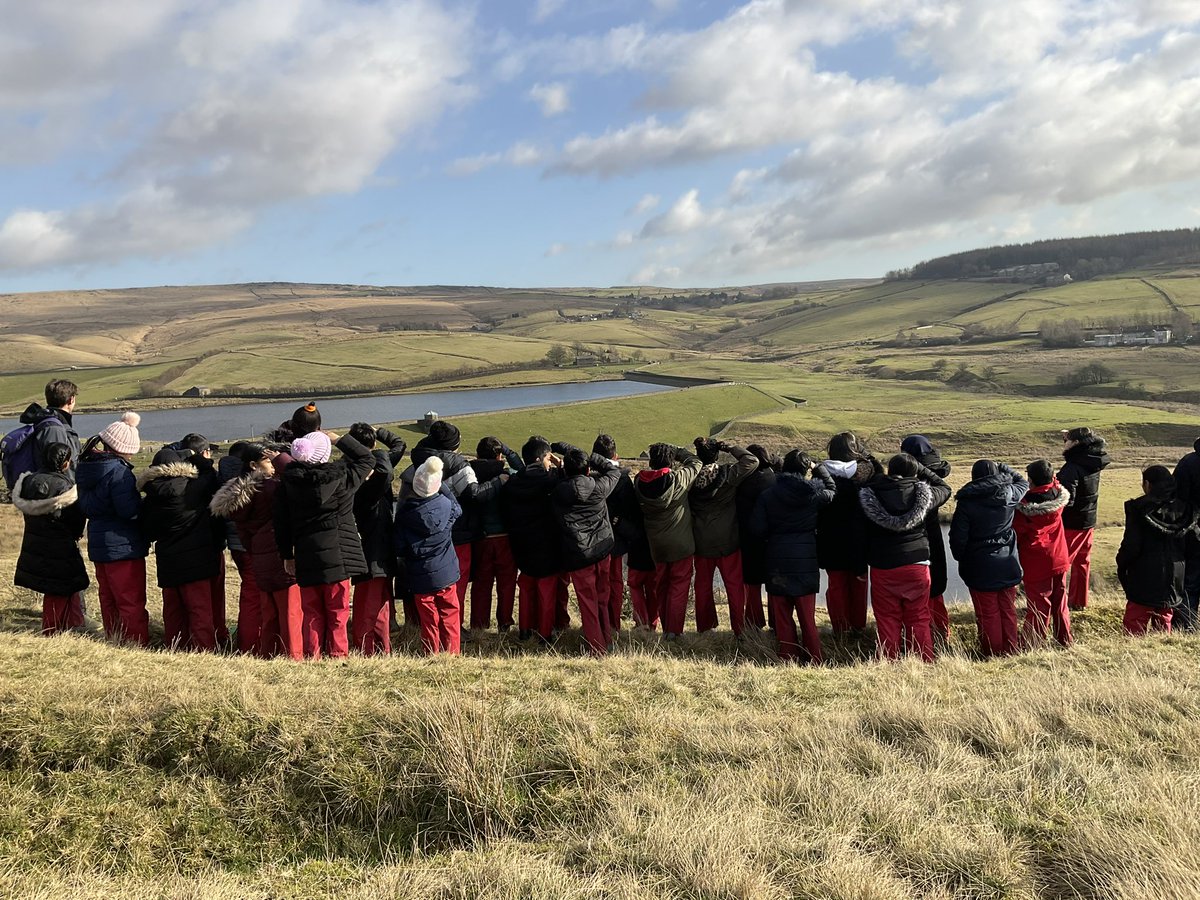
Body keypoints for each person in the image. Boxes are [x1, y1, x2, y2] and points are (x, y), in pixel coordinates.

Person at [274, 430, 374, 659]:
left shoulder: (288, 484)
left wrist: (287, 555)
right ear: (325, 453)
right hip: (339, 553)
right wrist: (339, 439)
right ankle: (338, 654)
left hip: (306, 553)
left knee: (311, 611)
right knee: (338, 610)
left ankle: (313, 655)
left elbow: (281, 523)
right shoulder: (343, 478)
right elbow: (367, 458)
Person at [401, 420, 503, 630]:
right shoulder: (458, 464)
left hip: (421, 531)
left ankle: (425, 627)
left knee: (426, 583)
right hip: (458, 532)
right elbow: (475, 494)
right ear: (453, 444)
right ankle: (453, 628)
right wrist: (499, 480)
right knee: (456, 583)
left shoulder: (419, 459)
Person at [210, 444, 302, 659]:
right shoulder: (271, 489)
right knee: (289, 610)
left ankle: (263, 651)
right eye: (268, 461)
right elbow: (298, 483)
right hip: (279, 554)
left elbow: (244, 533)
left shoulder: (239, 495)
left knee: (266, 610)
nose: (273, 465)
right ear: (253, 465)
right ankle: (293, 654)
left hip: (257, 554)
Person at [859, 453, 952, 662]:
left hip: (883, 565)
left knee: (887, 618)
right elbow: (945, 488)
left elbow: (861, 534)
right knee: (918, 617)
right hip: (916, 564)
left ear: (890, 471)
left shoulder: (870, 495)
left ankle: (889, 661)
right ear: (914, 472)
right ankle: (923, 661)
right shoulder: (923, 495)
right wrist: (922, 468)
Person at [749, 450, 835, 663]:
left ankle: (788, 656)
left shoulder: (768, 495)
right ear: (805, 470)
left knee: (782, 616)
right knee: (807, 618)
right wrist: (819, 468)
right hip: (805, 558)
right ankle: (815, 657)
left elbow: (757, 530)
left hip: (777, 558)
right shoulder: (813, 494)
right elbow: (832, 489)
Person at [139, 440, 222, 651]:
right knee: (200, 610)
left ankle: (175, 647)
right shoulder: (192, 489)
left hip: (168, 561)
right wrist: (195, 457)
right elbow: (210, 473)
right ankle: (204, 650)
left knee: (173, 611)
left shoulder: (150, 497)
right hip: (196, 560)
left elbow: (148, 530)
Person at [75, 412, 149, 644]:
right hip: (123, 545)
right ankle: (135, 642)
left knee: (108, 597)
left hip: (99, 543)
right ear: (123, 447)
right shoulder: (119, 473)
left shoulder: (87, 467)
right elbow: (129, 511)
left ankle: (114, 638)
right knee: (130, 599)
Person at [949, 460, 1027, 658]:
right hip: (1007, 562)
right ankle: (1011, 649)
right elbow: (1023, 482)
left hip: (979, 565)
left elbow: (958, 537)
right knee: (1008, 610)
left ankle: (992, 653)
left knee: (987, 614)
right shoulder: (1010, 494)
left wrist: (961, 557)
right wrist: (1005, 467)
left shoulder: (967, 502)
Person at [550, 447, 622, 655]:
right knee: (602, 598)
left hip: (579, 554)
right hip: (602, 549)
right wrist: (593, 457)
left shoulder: (557, 492)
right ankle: (607, 639)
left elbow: (560, 480)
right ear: (588, 469)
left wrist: (561, 467)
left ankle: (597, 648)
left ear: (566, 471)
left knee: (588, 602)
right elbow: (614, 471)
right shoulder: (598, 487)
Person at [12, 443, 88, 634]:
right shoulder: (65, 487)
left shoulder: (28, 481)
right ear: (65, 463)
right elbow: (75, 519)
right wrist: (76, 533)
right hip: (61, 544)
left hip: (35, 541)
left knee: (63, 586)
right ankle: (53, 629)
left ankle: (72, 623)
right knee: (61, 588)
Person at [688, 437, 759, 636]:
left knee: (702, 586)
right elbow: (752, 460)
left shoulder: (690, 478)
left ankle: (705, 626)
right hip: (728, 540)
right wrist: (729, 447)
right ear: (717, 455)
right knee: (734, 586)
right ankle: (739, 628)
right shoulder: (727, 475)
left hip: (701, 540)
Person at [348, 422, 408, 655]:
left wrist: (377, 434)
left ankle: (382, 647)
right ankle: (365, 647)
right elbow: (386, 472)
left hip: (378, 545)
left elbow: (400, 446)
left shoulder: (357, 466)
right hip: (372, 548)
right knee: (368, 603)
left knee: (381, 602)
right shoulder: (364, 475)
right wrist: (378, 446)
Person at [1116, 465, 1196, 636]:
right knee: (1164, 616)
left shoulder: (1139, 509)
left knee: (1136, 618)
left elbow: (1132, 546)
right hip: (1175, 574)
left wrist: (1121, 564)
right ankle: (1161, 644)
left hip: (1144, 574)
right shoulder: (1185, 510)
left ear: (1147, 484)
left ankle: (1132, 648)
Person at [395, 456, 463, 654]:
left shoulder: (404, 516)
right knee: (450, 614)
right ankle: (452, 652)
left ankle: (431, 652)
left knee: (428, 619)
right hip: (446, 573)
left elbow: (399, 547)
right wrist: (442, 486)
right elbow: (458, 509)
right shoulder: (446, 506)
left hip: (419, 575)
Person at [636, 443, 703, 637]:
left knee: (662, 587)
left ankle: (666, 628)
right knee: (678, 587)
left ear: (651, 461)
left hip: (656, 545)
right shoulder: (678, 479)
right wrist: (677, 451)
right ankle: (673, 631)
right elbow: (696, 462)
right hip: (680, 544)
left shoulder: (639, 482)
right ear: (671, 461)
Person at [500, 436, 563, 641]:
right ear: (540, 459)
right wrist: (560, 466)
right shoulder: (550, 480)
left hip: (521, 542)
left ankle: (525, 630)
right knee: (546, 588)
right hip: (547, 542)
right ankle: (545, 633)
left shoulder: (513, 482)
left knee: (526, 586)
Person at [818, 432, 880, 637]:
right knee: (859, 584)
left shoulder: (822, 474)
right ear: (854, 450)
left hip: (830, 538)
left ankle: (840, 628)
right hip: (859, 538)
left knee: (836, 586)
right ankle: (858, 626)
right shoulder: (865, 474)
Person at [1014, 460, 1073, 648]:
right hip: (1059, 557)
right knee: (1060, 603)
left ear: (1031, 481)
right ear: (1052, 477)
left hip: (1036, 562)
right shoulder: (1058, 497)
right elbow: (1054, 482)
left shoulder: (1024, 507)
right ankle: (1064, 640)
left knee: (1039, 606)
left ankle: (1031, 644)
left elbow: (1017, 532)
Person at [899, 435, 953, 641]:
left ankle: (920, 637)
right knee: (936, 587)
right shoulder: (936, 469)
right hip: (934, 532)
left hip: (916, 536)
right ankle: (942, 634)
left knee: (919, 593)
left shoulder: (912, 473)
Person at [469, 436, 522, 632]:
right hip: (505, 536)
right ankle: (505, 622)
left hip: (481, 536)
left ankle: (479, 624)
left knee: (481, 583)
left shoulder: (471, 474)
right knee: (506, 583)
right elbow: (522, 469)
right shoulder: (506, 475)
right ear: (499, 456)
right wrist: (509, 452)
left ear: (477, 455)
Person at [1057, 426, 1111, 610]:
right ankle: (1079, 601)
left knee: (1061, 564)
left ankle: (1057, 603)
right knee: (1082, 561)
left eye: (1067, 440)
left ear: (1076, 443)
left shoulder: (1072, 467)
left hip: (1071, 523)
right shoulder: (1092, 460)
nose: (1064, 444)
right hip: (1088, 519)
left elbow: (1066, 500)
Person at [594, 434, 644, 634]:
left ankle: (597, 624)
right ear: (615, 455)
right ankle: (613, 624)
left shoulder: (587, 475)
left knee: (595, 584)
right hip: (615, 540)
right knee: (614, 583)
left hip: (591, 540)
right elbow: (632, 510)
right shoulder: (622, 479)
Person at [217, 441, 259, 653]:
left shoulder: (222, 479)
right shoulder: (251, 481)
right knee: (254, 596)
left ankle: (247, 640)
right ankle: (250, 644)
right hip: (252, 544)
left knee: (249, 591)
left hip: (235, 544)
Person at [736, 444, 779, 630]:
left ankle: (753, 621)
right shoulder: (772, 477)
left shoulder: (743, 481)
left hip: (748, 537)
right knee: (773, 583)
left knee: (752, 583)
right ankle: (776, 621)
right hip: (771, 537)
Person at [16, 379, 82, 478]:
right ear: (71, 400)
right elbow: (59, 465)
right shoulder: (54, 429)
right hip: (55, 486)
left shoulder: (45, 422)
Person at [1172, 438, 1200, 629]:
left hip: (1192, 531)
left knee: (1190, 583)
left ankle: (1185, 627)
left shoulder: (1189, 463)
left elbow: (1177, 499)